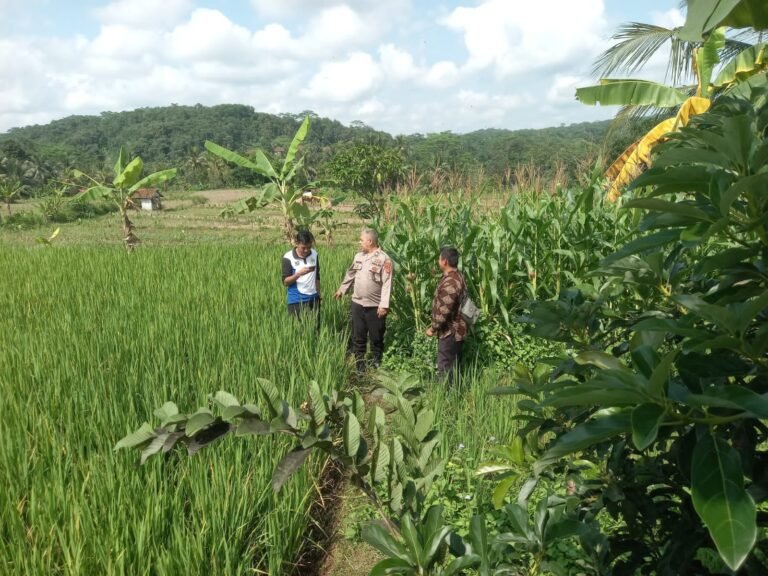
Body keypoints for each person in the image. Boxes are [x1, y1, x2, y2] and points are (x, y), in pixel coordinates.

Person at [334, 228, 393, 373]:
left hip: (375, 305)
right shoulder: (358, 256)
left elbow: (387, 283)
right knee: (358, 335)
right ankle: (359, 363)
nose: (359, 242)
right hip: (357, 303)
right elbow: (350, 274)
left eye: (361, 240)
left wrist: (384, 305)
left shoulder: (384, 259)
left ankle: (376, 360)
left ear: (370, 241)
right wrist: (342, 290)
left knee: (376, 335)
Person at [425, 246, 468, 382]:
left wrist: (432, 329)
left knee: (445, 366)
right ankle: (454, 390)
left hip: (450, 332)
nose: (438, 261)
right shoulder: (457, 276)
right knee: (452, 367)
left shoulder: (451, 282)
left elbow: (444, 311)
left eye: (439, 259)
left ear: (444, 261)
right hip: (456, 330)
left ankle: (445, 393)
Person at [282, 229, 321, 322]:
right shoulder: (288, 257)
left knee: (315, 327)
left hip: (314, 299)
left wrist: (319, 294)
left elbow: (317, 276)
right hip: (296, 300)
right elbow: (285, 282)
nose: (306, 250)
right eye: (303, 248)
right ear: (296, 243)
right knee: (298, 329)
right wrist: (298, 274)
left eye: (309, 247)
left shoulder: (314, 254)